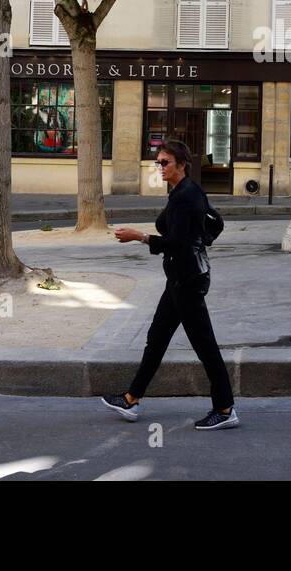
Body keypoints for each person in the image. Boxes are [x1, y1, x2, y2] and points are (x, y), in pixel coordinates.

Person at [100, 139, 238, 431]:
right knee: (157, 338)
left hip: (188, 281)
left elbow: (178, 242)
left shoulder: (188, 195)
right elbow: (207, 226)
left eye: (165, 163)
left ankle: (225, 409)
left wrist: (140, 237)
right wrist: (199, 239)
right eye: (158, 162)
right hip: (178, 279)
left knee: (205, 346)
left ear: (182, 164)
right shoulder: (180, 192)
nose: (159, 167)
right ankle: (131, 398)